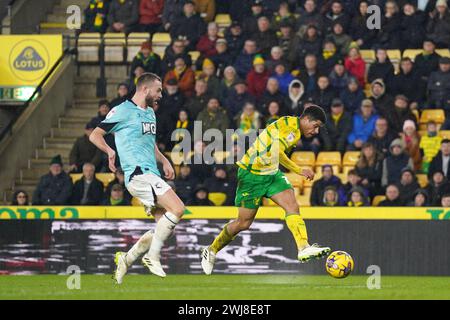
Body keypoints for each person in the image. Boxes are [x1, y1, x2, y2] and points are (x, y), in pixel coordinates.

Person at [201, 106, 331, 275]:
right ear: (306, 119)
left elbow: (278, 152)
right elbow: (278, 152)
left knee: (292, 206)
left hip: (271, 174)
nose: (316, 130)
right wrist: (299, 170)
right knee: (243, 223)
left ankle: (303, 247)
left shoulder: (294, 129)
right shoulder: (290, 128)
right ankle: (211, 250)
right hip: (251, 175)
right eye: (315, 125)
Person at [90, 73, 190, 282]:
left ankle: (126, 259)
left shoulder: (150, 113)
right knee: (178, 209)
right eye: (158, 90)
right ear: (145, 89)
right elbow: (95, 134)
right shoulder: (122, 110)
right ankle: (152, 257)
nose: (160, 95)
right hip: (137, 174)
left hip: (150, 173)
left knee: (164, 229)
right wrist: (109, 151)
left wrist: (164, 160)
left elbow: (150, 144)